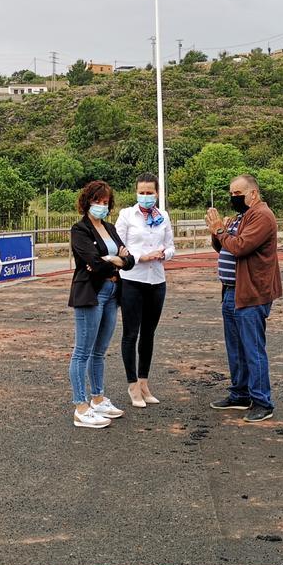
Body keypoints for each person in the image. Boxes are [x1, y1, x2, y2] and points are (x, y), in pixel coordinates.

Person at [204, 174, 282, 423]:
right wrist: (219, 233)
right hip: (231, 290)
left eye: (238, 194)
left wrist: (220, 230)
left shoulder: (261, 216)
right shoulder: (242, 217)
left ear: (253, 194)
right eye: (231, 194)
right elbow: (225, 246)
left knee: (252, 349)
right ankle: (240, 393)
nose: (233, 198)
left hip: (251, 292)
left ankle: (261, 401)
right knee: (235, 348)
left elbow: (240, 247)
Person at [68, 180, 135, 429]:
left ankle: (97, 398)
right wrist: (114, 259)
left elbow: (130, 261)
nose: (102, 206)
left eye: (106, 202)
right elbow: (93, 264)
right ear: (87, 202)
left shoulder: (109, 227)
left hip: (112, 290)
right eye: (97, 201)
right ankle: (80, 407)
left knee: (99, 350)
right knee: (82, 351)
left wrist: (113, 259)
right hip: (91, 293)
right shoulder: (80, 229)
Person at [115, 173, 176, 408]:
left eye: (150, 192)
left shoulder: (163, 217)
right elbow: (120, 247)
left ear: (157, 193)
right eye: (142, 192)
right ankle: (132, 385)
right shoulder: (126, 215)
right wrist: (142, 256)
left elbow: (171, 246)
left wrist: (164, 254)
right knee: (131, 333)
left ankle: (144, 382)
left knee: (148, 333)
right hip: (132, 279)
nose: (146, 196)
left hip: (156, 280)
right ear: (136, 192)